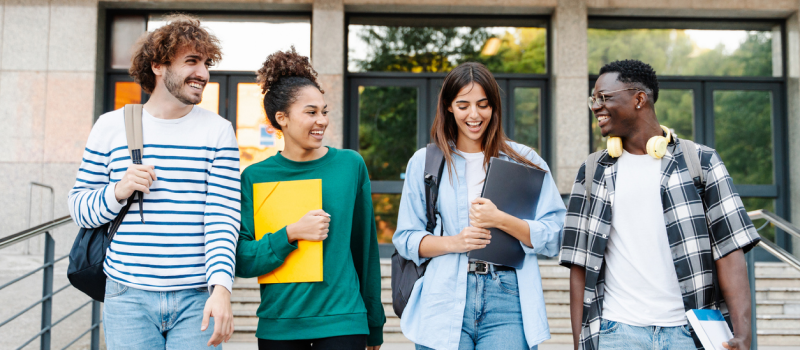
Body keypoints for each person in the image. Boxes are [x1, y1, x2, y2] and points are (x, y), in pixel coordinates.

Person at [559, 59, 760, 350]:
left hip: (689, 334)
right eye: (593, 98)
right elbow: (579, 265)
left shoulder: (701, 162)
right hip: (616, 333)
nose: (595, 106)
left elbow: (730, 250)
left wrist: (742, 334)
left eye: (603, 97)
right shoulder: (592, 171)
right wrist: (580, 344)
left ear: (639, 98)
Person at [67, 14, 237, 349]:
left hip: (196, 299)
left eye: (206, 64)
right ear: (158, 65)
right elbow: (79, 209)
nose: (202, 73)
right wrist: (118, 191)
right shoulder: (111, 125)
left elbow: (223, 217)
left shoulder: (218, 131)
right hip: (127, 296)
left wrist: (221, 289)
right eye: (191, 61)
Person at [393, 62, 566, 350]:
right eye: (463, 105)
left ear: (494, 107)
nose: (474, 115)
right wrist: (455, 242)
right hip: (443, 295)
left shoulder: (524, 161)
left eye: (483, 105)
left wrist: (500, 219)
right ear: (449, 106)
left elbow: (556, 236)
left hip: (508, 297)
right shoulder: (425, 162)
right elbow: (406, 239)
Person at [235, 48, 385, 350]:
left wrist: (374, 324)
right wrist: (290, 234)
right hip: (280, 326)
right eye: (311, 112)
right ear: (282, 118)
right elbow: (240, 258)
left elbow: (364, 248)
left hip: (344, 321)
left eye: (324, 111)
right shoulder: (254, 177)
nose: (322, 121)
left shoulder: (350, 166)